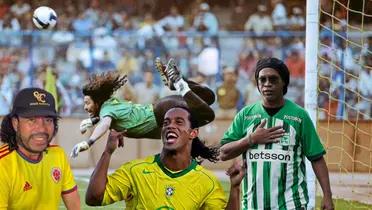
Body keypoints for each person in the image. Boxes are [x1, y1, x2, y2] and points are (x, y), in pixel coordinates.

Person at [219, 58, 334, 210]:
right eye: (262, 79)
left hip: (292, 204)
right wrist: (251, 139)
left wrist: (327, 196)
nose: (267, 84)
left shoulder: (299, 116)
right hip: (253, 205)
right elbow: (223, 153)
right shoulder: (245, 115)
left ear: (284, 82)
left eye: (273, 79)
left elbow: (317, 158)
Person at [85, 106, 244, 209]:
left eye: (179, 122)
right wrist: (108, 152)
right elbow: (93, 198)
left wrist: (235, 188)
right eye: (166, 123)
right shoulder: (136, 171)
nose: (170, 126)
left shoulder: (207, 182)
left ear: (193, 133)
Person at [70, 58, 216, 158]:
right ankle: (177, 84)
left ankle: (179, 84)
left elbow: (105, 123)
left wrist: (88, 142)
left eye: (87, 103)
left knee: (208, 115)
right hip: (162, 108)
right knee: (209, 97)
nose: (85, 107)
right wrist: (92, 121)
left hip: (161, 114)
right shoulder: (110, 104)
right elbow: (107, 120)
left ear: (97, 102)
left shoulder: (106, 112)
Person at [0, 87, 80, 210]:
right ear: (15, 123)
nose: (41, 128)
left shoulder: (58, 155)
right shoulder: (3, 165)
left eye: (48, 120)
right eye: (31, 120)